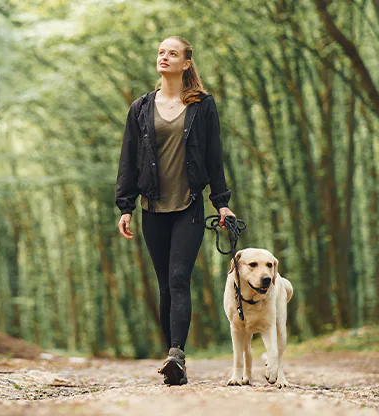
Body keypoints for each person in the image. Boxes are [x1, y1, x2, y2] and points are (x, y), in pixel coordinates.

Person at [115, 36, 235, 386]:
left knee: (180, 278)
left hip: (189, 206)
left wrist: (222, 201)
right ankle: (173, 358)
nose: (164, 57)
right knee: (165, 286)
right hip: (152, 206)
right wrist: (125, 206)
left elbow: (214, 156)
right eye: (160, 52)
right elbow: (128, 158)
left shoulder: (203, 106)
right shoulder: (140, 107)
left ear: (186, 63)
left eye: (172, 53)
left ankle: (177, 354)